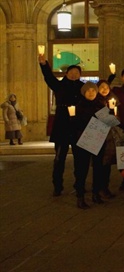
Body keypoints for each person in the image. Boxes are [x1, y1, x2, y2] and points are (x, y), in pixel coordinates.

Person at [38, 53, 84, 196]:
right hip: (62, 125)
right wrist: (44, 64)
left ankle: (79, 184)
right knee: (59, 158)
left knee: (80, 158)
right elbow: (49, 77)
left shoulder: (83, 87)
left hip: (77, 126)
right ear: (67, 73)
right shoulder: (59, 85)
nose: (74, 74)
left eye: (77, 73)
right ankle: (57, 185)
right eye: (71, 72)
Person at [71, 82, 105, 209]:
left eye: (93, 90)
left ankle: (96, 193)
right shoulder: (79, 106)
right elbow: (76, 126)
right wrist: (73, 121)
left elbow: (107, 123)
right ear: (84, 92)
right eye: (88, 91)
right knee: (82, 169)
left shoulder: (100, 105)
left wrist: (111, 116)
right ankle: (80, 196)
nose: (91, 93)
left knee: (98, 168)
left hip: (98, 139)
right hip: (84, 140)